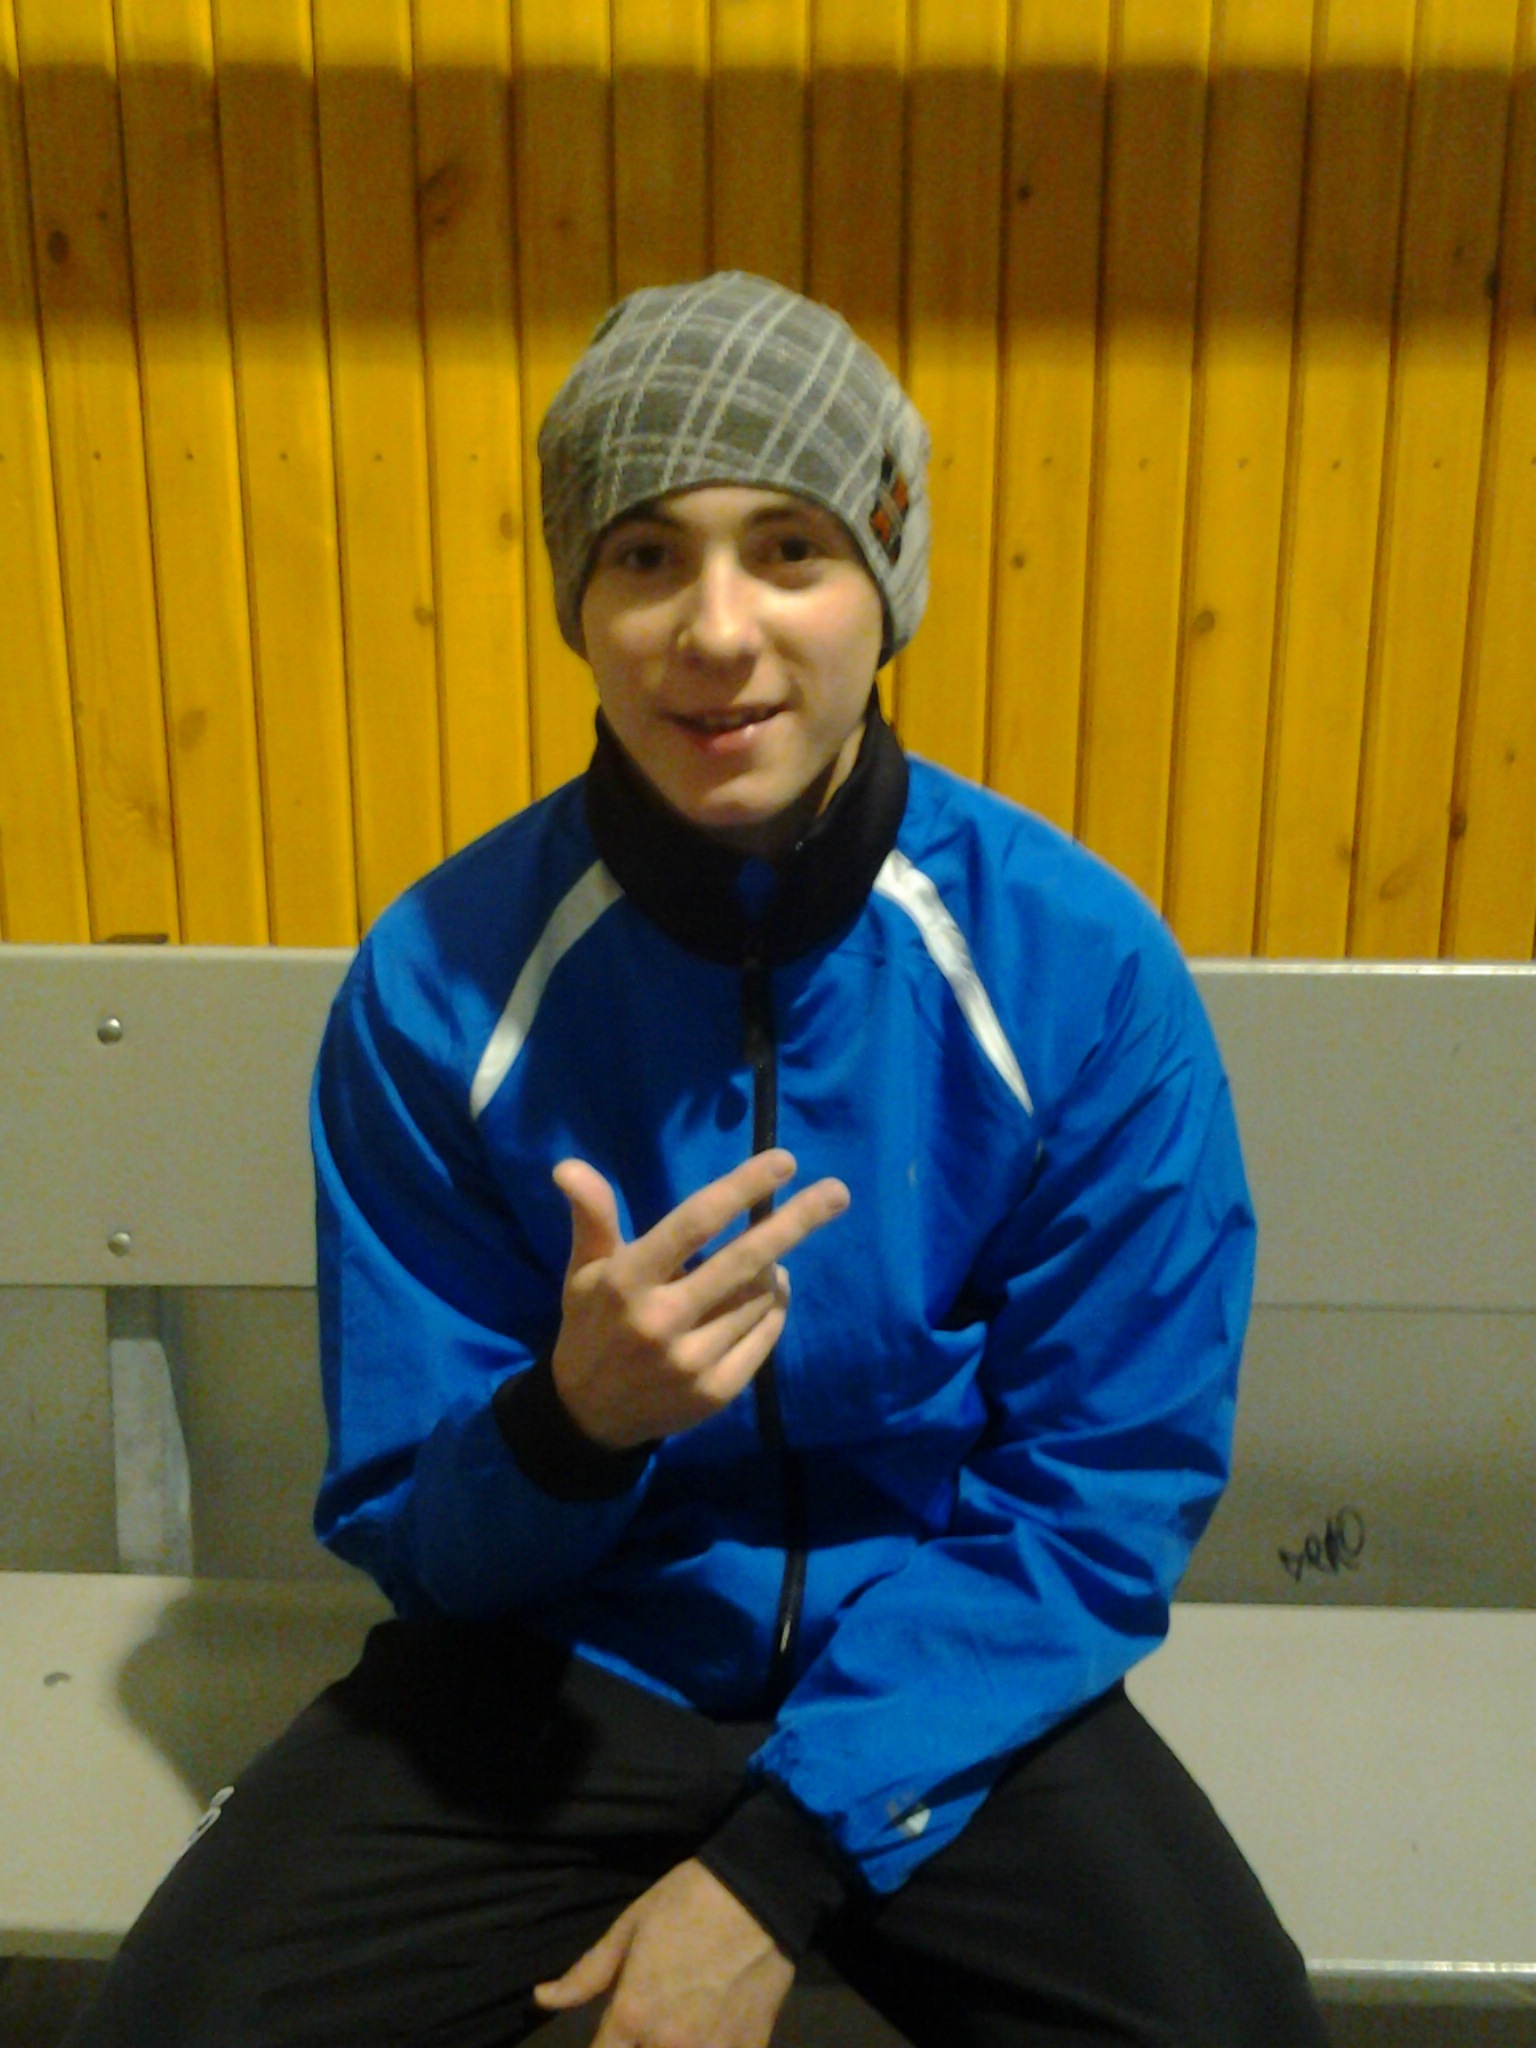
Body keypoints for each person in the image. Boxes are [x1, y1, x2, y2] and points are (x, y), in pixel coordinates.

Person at [70, 272, 1328, 2048]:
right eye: (647, 555)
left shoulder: (1076, 968)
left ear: (885, 582)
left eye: (791, 549)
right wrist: (568, 1426)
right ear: (580, 606)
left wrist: (772, 1872)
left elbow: (1101, 1488)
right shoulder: (441, 986)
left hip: (944, 1670)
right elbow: (419, 1536)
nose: (716, 632)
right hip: (558, 1668)